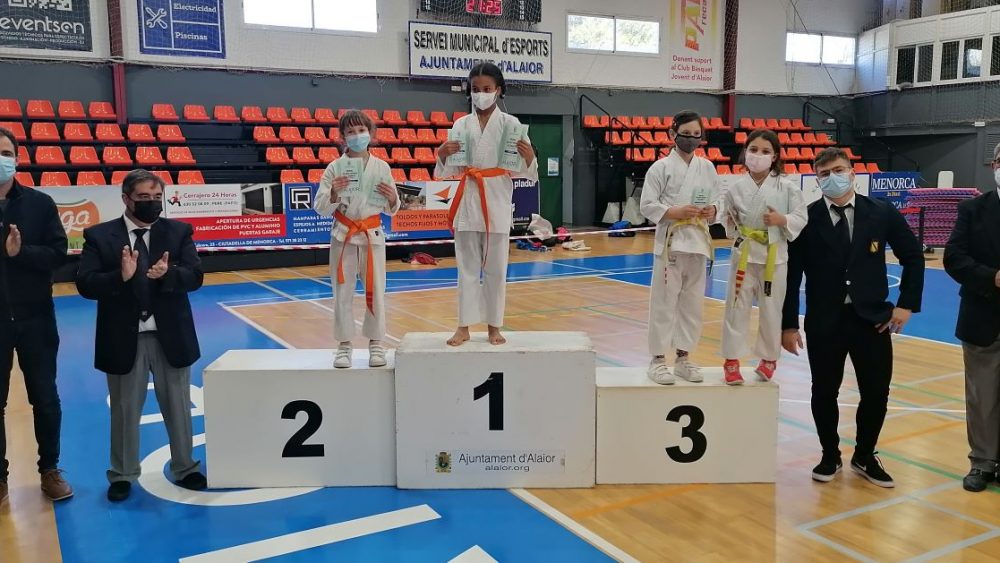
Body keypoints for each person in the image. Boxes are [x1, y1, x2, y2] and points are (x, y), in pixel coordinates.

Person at [782, 147, 924, 488]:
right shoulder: (806, 217)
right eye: (825, 173)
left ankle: (865, 454)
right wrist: (787, 324)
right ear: (817, 179)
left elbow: (913, 255)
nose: (833, 177)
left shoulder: (881, 211)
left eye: (839, 169)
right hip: (824, 320)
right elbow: (792, 274)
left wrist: (906, 304)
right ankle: (829, 454)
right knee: (823, 391)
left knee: (876, 392)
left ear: (852, 171)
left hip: (872, 320)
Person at [76, 169, 207, 502]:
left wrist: (169, 274)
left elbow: (195, 276)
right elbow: (85, 284)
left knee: (178, 405)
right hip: (123, 338)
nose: (152, 203)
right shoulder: (99, 236)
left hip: (170, 336)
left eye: (156, 197)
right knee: (124, 409)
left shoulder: (178, 232)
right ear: (126, 199)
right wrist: (119, 277)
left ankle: (186, 467)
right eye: (144, 198)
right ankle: (122, 473)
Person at [435, 62, 538, 346]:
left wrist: (529, 156)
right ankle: (464, 326)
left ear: (498, 90)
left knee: (496, 269)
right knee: (466, 269)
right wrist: (442, 154)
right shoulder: (460, 125)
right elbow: (447, 171)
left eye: (487, 89)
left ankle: (494, 326)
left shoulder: (512, 124)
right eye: (476, 89)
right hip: (468, 201)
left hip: (496, 202)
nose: (481, 94)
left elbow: (528, 171)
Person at [0, 126, 73, 503]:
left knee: (45, 397)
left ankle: (50, 469)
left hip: (36, 318)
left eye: (6, 152)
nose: (2, 159)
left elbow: (58, 254)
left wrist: (20, 253)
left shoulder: (40, 204)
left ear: (17, 157)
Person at [640, 110, 722, 385]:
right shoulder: (660, 168)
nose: (690, 139)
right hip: (671, 243)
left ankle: (684, 358)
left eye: (696, 135)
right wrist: (675, 211)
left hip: (698, 242)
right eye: (685, 134)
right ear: (673, 134)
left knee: (692, 304)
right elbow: (648, 205)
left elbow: (718, 199)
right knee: (664, 303)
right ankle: (658, 359)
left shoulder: (707, 167)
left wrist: (713, 210)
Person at [314, 109, 401, 368]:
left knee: (377, 291)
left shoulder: (382, 166)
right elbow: (319, 206)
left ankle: (376, 343)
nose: (356, 135)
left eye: (361, 130)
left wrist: (392, 197)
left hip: (372, 235)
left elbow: (393, 207)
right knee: (342, 291)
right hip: (344, 236)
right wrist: (333, 193)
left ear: (370, 133)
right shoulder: (335, 168)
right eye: (350, 132)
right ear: (342, 136)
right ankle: (344, 346)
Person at [720, 129, 807, 384]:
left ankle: (769, 358)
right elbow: (729, 222)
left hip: (774, 256)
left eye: (765, 151)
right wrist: (733, 224)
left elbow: (801, 217)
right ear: (745, 152)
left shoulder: (788, 188)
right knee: (736, 308)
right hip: (744, 254)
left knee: (772, 310)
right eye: (753, 150)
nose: (758, 155)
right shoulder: (735, 188)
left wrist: (782, 220)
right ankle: (732, 359)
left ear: (775, 156)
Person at [943, 141, 1000, 492]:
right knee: (982, 395)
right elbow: (953, 258)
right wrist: (991, 277)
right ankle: (982, 462)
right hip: (983, 315)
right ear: (993, 164)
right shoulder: (972, 210)